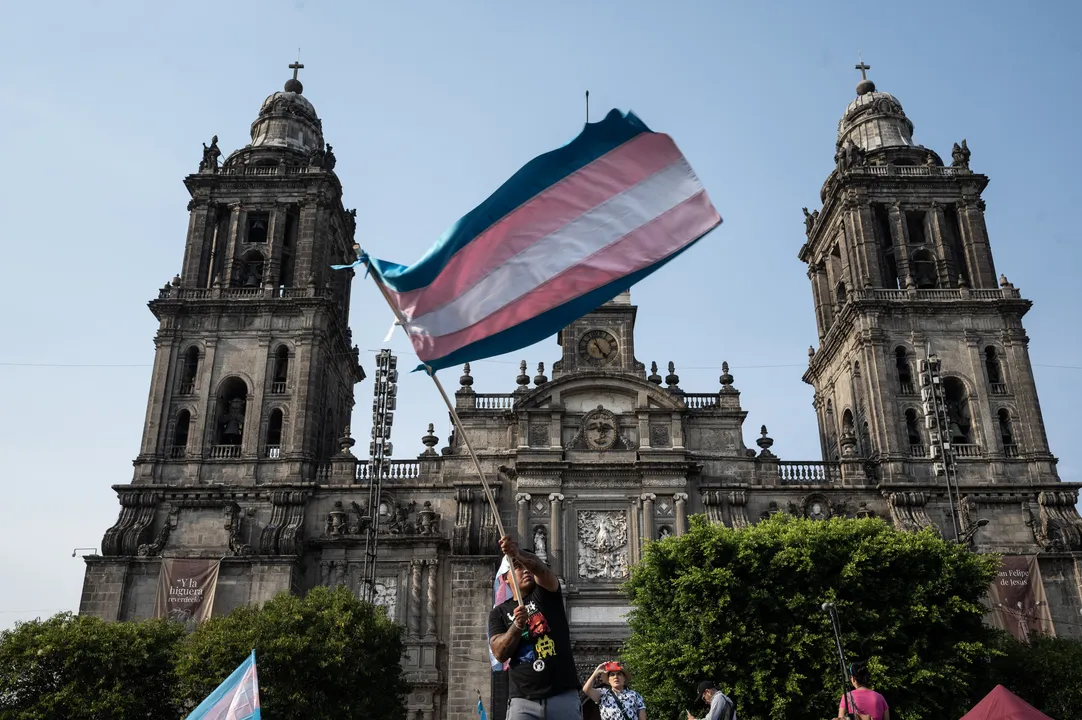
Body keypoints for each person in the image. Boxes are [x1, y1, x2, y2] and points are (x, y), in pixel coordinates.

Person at [488, 534, 580, 720]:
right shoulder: (498, 612)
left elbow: (542, 571)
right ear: (506, 578)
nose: (526, 570)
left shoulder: (546, 594)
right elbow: (499, 652)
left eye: (527, 566)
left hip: (562, 696)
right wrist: (516, 626)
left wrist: (518, 554)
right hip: (523, 701)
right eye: (518, 567)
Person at [582, 661, 646, 720]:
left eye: (619, 674)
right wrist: (596, 672)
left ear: (624, 678)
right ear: (609, 680)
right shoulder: (603, 694)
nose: (616, 677)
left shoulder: (635, 695)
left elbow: (642, 718)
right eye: (612, 675)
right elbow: (586, 689)